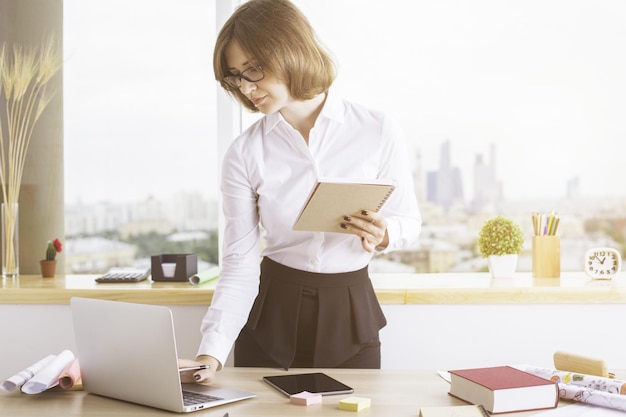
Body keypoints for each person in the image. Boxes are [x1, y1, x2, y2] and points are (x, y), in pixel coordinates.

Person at [179, 0, 421, 384]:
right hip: (271, 315)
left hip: (351, 313)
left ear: (290, 49)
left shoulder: (376, 129)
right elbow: (240, 261)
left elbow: (410, 220)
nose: (246, 86)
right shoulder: (245, 152)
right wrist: (210, 354)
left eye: (253, 69)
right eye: (235, 78)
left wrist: (385, 233)